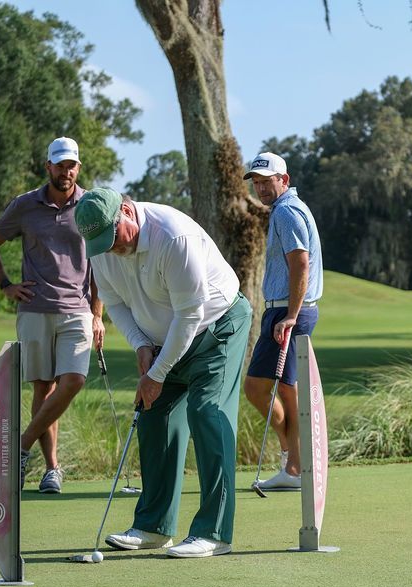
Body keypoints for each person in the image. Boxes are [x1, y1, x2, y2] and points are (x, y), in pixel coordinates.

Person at [75, 187, 252, 558]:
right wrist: (141, 345)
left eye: (114, 237)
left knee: (208, 413)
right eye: (102, 244)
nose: (112, 248)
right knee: (153, 415)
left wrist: (157, 373)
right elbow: (115, 304)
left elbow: (189, 314)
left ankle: (215, 533)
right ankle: (154, 527)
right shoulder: (101, 249)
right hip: (163, 340)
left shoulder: (173, 236)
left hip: (217, 327)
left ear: (126, 211)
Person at [0, 137, 104, 494]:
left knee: (74, 381)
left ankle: (20, 446)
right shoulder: (25, 205)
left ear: (78, 168)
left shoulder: (91, 206)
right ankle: (52, 469)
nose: (66, 172)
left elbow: (100, 264)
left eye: (71, 165)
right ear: (48, 166)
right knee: (43, 387)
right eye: (59, 165)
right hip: (35, 308)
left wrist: (97, 315)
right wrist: (5, 285)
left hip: (77, 310)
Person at [242, 152, 324, 491]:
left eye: (267, 181)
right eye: (256, 183)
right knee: (280, 388)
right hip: (283, 311)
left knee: (268, 388)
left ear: (284, 180)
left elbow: (301, 263)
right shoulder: (286, 209)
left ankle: (294, 466)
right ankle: (294, 462)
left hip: (289, 312)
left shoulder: (287, 211)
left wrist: (290, 315)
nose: (261, 188)